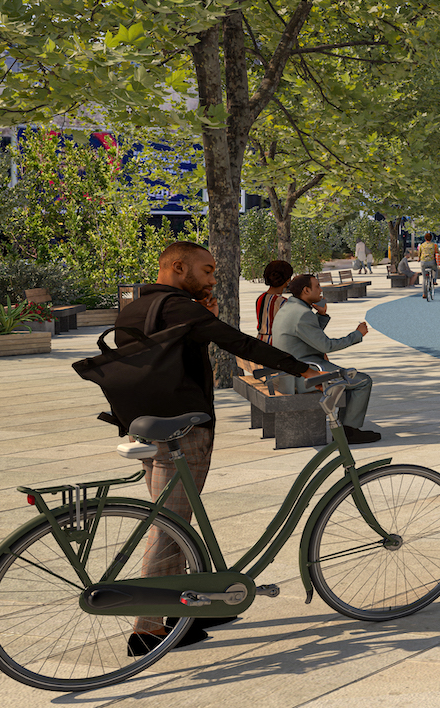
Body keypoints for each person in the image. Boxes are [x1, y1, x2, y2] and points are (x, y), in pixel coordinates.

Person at [115, 241, 322, 654]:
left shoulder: (135, 306)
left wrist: (201, 320)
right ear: (177, 266)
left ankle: (195, 608)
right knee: (170, 528)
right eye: (207, 271)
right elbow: (240, 344)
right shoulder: (180, 308)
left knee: (176, 521)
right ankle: (148, 629)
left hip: (147, 427)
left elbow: (159, 360)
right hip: (185, 431)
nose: (213, 279)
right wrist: (302, 367)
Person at [271, 272, 380, 444]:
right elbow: (326, 346)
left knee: (350, 379)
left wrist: (321, 316)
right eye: (317, 286)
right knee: (362, 381)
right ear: (306, 290)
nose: (321, 290)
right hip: (303, 374)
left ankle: (348, 428)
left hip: (292, 370)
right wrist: (357, 335)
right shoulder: (302, 314)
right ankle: (349, 432)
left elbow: (307, 336)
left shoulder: (290, 308)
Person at [254, 260, 294, 341]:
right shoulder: (284, 302)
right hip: (277, 343)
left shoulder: (261, 298)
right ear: (288, 280)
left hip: (260, 341)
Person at [417, 232, 440, 301]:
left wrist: (419, 259)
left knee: (424, 278)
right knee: (435, 269)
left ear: (425, 238)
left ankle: (424, 293)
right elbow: (437, 253)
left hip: (423, 262)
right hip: (431, 262)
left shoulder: (422, 245)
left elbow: (419, 254)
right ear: (431, 238)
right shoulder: (434, 245)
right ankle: (434, 280)